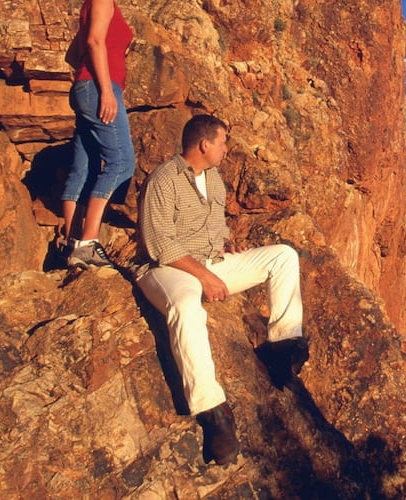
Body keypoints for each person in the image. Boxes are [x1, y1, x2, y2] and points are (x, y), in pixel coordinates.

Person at [136, 114, 309, 465]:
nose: (226, 149)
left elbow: (216, 227)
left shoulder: (213, 179)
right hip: (167, 269)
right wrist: (204, 276)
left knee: (283, 257)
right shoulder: (164, 179)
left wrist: (226, 246)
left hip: (209, 262)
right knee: (185, 306)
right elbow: (158, 244)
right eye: (222, 141)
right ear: (204, 144)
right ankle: (213, 412)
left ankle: (281, 346)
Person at [61, 0, 136, 268]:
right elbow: (94, 41)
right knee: (122, 162)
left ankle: (70, 244)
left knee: (84, 167)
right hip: (98, 87)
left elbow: (74, 53)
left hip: (85, 86)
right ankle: (88, 242)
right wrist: (106, 89)